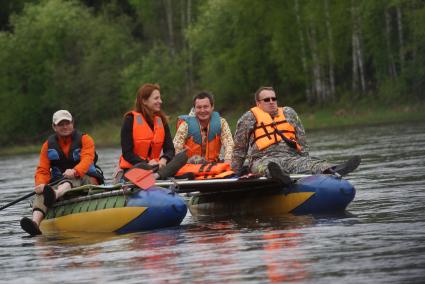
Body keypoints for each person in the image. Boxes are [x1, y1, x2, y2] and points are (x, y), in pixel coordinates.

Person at [231, 86, 361, 184]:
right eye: (267, 99)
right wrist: (234, 174)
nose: (271, 101)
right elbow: (239, 150)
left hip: (290, 157)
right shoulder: (248, 119)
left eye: (274, 98)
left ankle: (333, 169)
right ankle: (279, 176)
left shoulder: (289, 113)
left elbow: (302, 141)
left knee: (311, 164)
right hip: (262, 159)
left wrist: (305, 159)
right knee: (268, 167)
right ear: (258, 103)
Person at [20, 110, 104, 236]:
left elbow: (87, 159)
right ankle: (35, 223)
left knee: (71, 179)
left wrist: (75, 171)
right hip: (60, 182)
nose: (65, 127)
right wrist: (40, 184)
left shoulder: (85, 139)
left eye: (67, 123)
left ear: (72, 123)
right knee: (42, 191)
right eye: (61, 124)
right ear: (54, 127)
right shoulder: (47, 146)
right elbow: (42, 170)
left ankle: (55, 194)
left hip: (86, 178)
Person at [117, 83, 187, 181]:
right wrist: (146, 163)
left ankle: (157, 176)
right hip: (134, 169)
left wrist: (164, 159)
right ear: (144, 101)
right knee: (144, 167)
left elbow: (170, 149)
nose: (160, 101)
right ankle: (159, 175)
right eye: (156, 98)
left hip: (156, 168)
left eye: (160, 98)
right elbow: (127, 153)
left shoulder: (161, 121)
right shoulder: (130, 120)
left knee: (182, 156)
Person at [173, 91, 234, 164]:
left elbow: (229, 144)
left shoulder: (221, 123)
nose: (202, 110)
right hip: (190, 165)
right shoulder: (185, 124)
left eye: (205, 107)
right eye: (199, 107)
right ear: (194, 108)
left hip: (213, 165)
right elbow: (177, 147)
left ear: (212, 107)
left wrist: (228, 160)